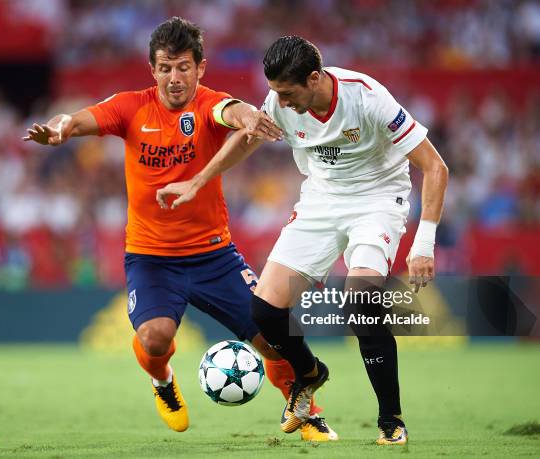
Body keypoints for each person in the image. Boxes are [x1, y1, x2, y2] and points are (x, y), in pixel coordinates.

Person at [23, 20, 337, 441]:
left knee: (275, 338)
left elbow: (233, 110)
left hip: (214, 257)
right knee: (155, 338)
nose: (175, 78)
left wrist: (249, 116)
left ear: (201, 68)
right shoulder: (130, 107)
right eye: (166, 68)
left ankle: (306, 413)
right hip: (152, 259)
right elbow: (77, 119)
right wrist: (61, 129)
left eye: (184, 68)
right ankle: (163, 383)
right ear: (152, 70)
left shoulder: (208, 104)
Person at [157, 35, 449, 445]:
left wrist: (424, 244)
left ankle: (391, 420)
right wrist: (199, 178)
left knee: (361, 301)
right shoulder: (279, 101)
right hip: (321, 200)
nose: (280, 102)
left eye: (288, 93)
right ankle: (310, 372)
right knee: (264, 308)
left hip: (377, 199)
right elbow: (247, 138)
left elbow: (435, 167)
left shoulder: (367, 99)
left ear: (315, 79)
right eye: (274, 92)